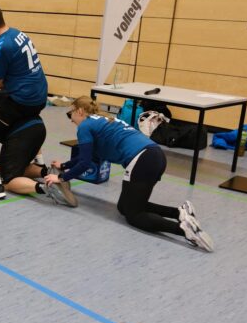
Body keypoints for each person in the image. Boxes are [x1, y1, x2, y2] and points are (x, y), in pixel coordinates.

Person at [44, 96, 213, 251]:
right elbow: (88, 156)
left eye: (70, 114)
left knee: (134, 215)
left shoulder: (85, 126)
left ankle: (183, 230)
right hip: (154, 156)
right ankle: (179, 213)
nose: (71, 119)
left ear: (80, 111)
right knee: (125, 206)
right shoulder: (101, 121)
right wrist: (64, 165)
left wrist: (60, 177)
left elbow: (85, 163)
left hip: (142, 160)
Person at [0, 4, 48, 199]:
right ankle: (40, 165)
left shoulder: (1, 47)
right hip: (40, 96)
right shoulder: (18, 34)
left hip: (24, 100)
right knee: (14, 122)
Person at [0, 75, 74, 203]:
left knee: (7, 181)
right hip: (39, 128)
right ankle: (48, 173)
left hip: (20, 136)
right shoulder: (1, 92)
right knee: (18, 168)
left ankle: (47, 187)